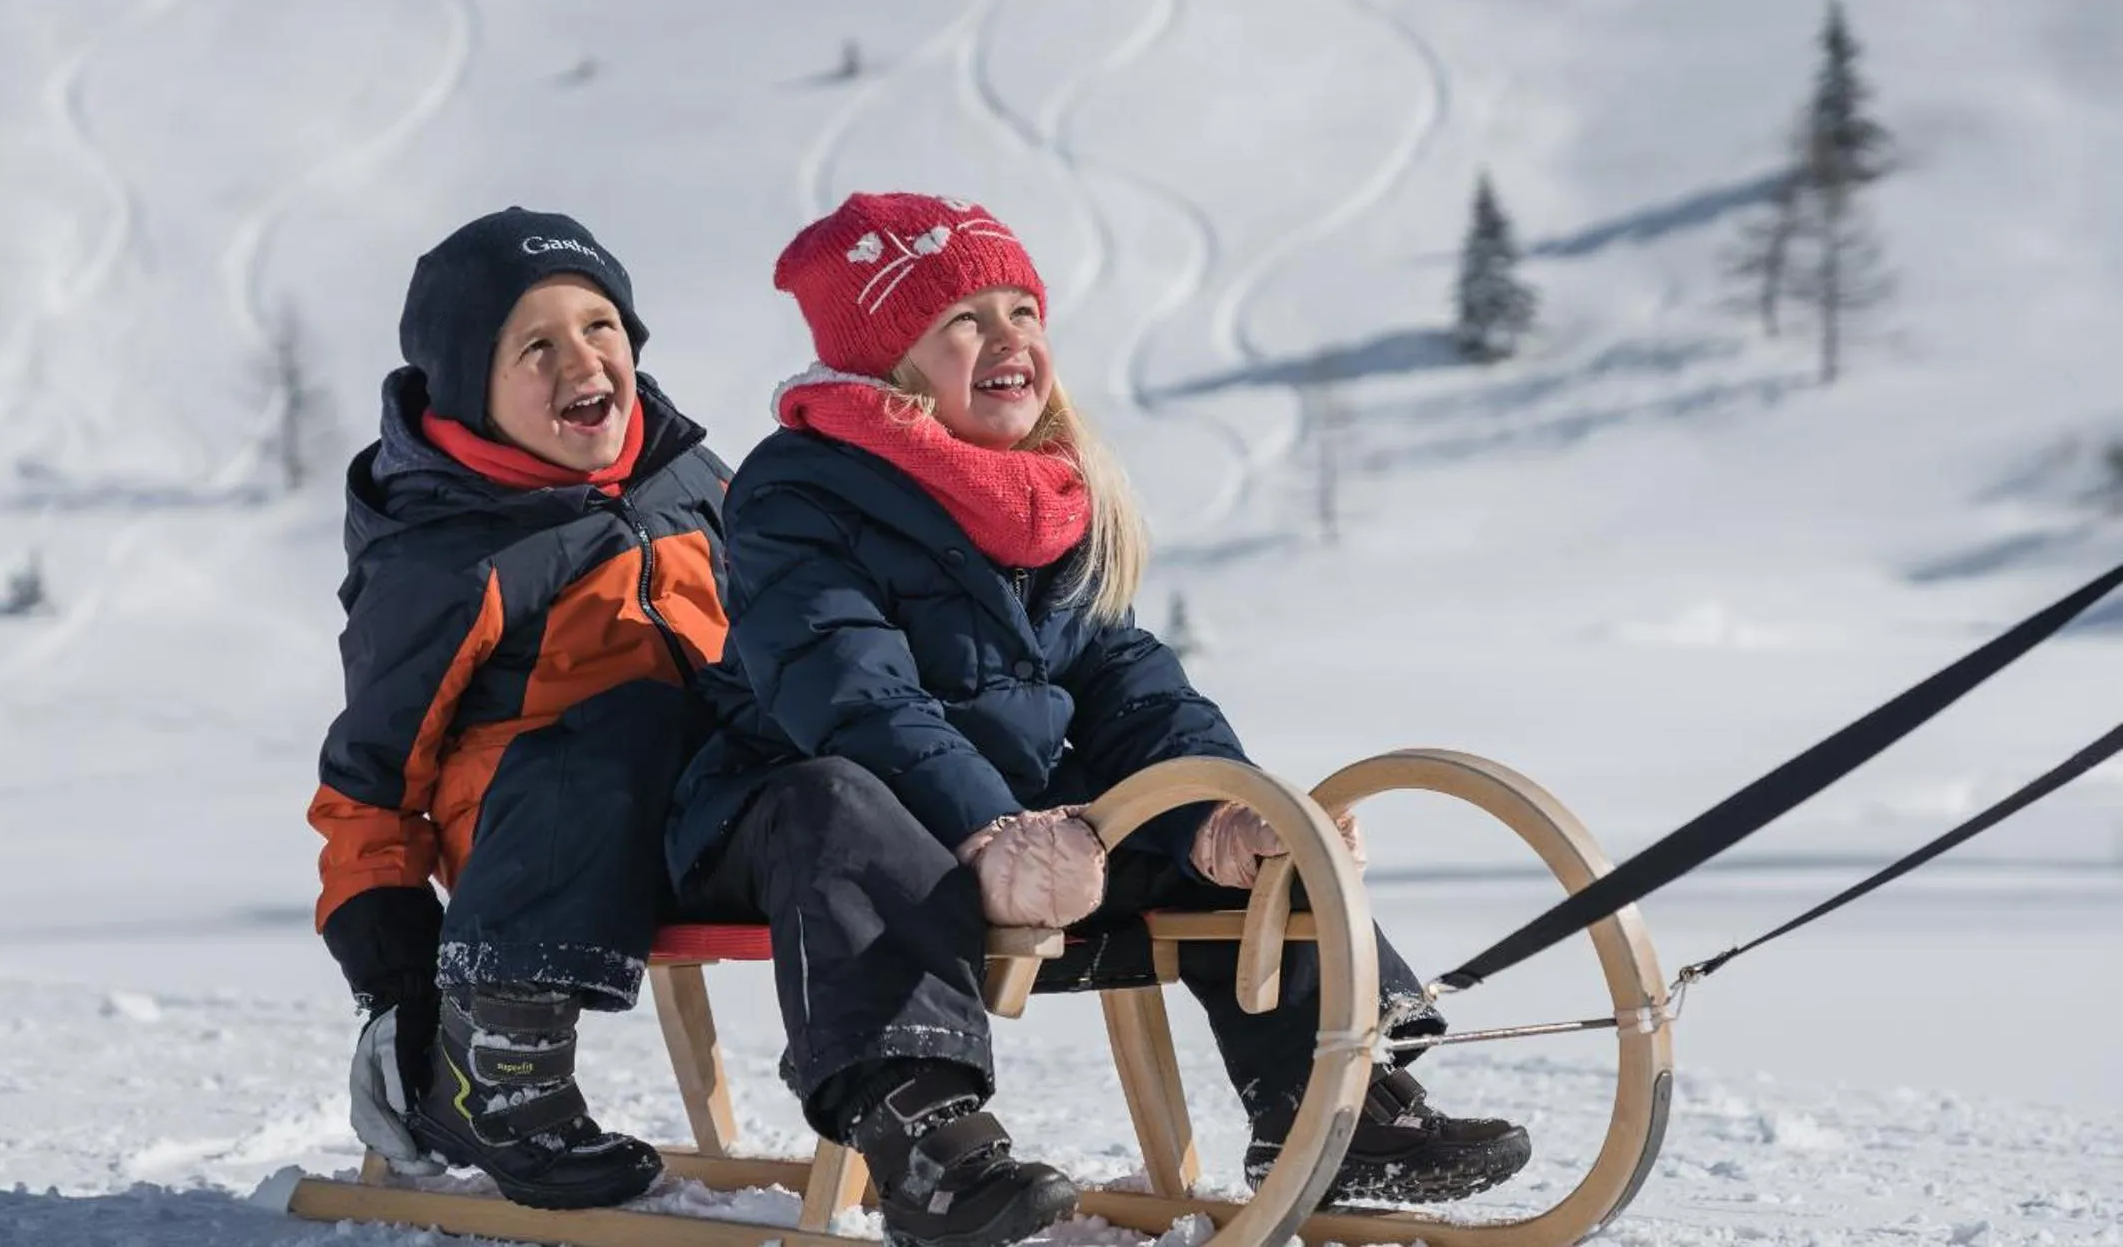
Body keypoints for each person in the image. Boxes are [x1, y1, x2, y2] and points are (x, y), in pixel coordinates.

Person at [668, 192, 1531, 1247]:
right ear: (891, 364)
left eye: (1020, 309)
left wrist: (1220, 813)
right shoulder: (795, 494)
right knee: (839, 798)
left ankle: (1342, 1104)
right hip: (797, 821)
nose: (1008, 340)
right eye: (960, 322)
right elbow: (848, 692)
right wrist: (993, 828)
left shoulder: (1042, 497)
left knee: (1247, 827)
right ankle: (920, 1133)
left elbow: (1132, 688)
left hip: (1015, 833)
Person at [311, 208, 732, 1211]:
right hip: (529, 825)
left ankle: (903, 1095)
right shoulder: (446, 555)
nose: (581, 359)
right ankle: (498, 1079)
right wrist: (397, 975)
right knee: (629, 720)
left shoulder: (694, 481)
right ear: (472, 388)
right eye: (534, 344)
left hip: (695, 803)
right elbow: (369, 777)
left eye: (600, 326)